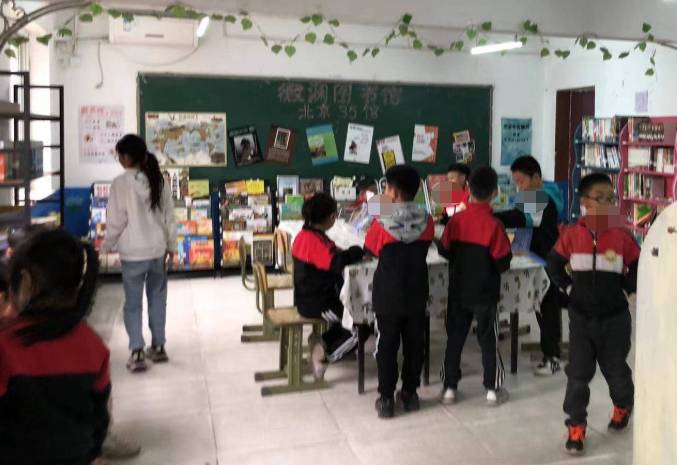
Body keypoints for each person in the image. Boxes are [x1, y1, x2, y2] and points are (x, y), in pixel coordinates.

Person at [0, 229, 110, 465]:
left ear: (26, 282)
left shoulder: (7, 346)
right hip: (76, 455)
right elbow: (99, 414)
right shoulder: (92, 344)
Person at [547, 173, 639, 455]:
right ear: (586, 202)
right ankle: (576, 425)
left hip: (615, 319)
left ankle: (623, 405)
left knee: (616, 371)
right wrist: (568, 287)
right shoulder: (572, 235)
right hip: (581, 319)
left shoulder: (622, 235)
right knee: (578, 375)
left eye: (612, 199)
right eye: (602, 199)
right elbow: (553, 264)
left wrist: (627, 289)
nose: (609, 204)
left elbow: (638, 265)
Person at [437, 166, 512, 406]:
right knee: (488, 339)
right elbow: (503, 263)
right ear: (495, 193)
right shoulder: (495, 225)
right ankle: (492, 390)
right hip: (485, 293)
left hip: (458, 290)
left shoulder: (456, 220)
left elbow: (443, 250)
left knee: (455, 338)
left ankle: (449, 388)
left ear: (467, 188)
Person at [102, 134, 177, 373]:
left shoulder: (120, 183)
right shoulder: (157, 180)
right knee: (157, 299)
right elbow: (170, 216)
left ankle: (137, 351)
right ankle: (159, 346)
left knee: (133, 304)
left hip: (133, 254)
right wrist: (172, 247)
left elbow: (116, 222)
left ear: (126, 158)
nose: (119, 159)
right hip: (157, 251)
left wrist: (104, 247)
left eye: (119, 155)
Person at [364, 165, 434, 419]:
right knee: (415, 344)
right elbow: (428, 242)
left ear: (393, 192)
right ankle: (410, 394)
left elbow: (370, 249)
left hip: (388, 294)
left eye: (386, 188)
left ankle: (386, 398)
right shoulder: (427, 221)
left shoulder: (381, 223)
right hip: (416, 291)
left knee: (387, 345)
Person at [494, 155, 566, 376]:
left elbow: (517, 217)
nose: (519, 186)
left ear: (536, 177)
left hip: (545, 258)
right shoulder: (541, 194)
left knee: (547, 306)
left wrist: (488, 216)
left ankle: (552, 357)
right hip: (536, 256)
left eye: (521, 181)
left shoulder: (542, 197)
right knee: (544, 304)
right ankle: (552, 352)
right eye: (516, 181)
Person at [292, 193, 365, 380]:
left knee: (355, 314)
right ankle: (323, 356)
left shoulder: (306, 235)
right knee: (361, 325)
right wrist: (356, 251)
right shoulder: (312, 240)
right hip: (319, 303)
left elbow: (330, 254)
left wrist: (347, 253)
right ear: (332, 217)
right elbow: (335, 262)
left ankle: (322, 342)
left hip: (310, 297)